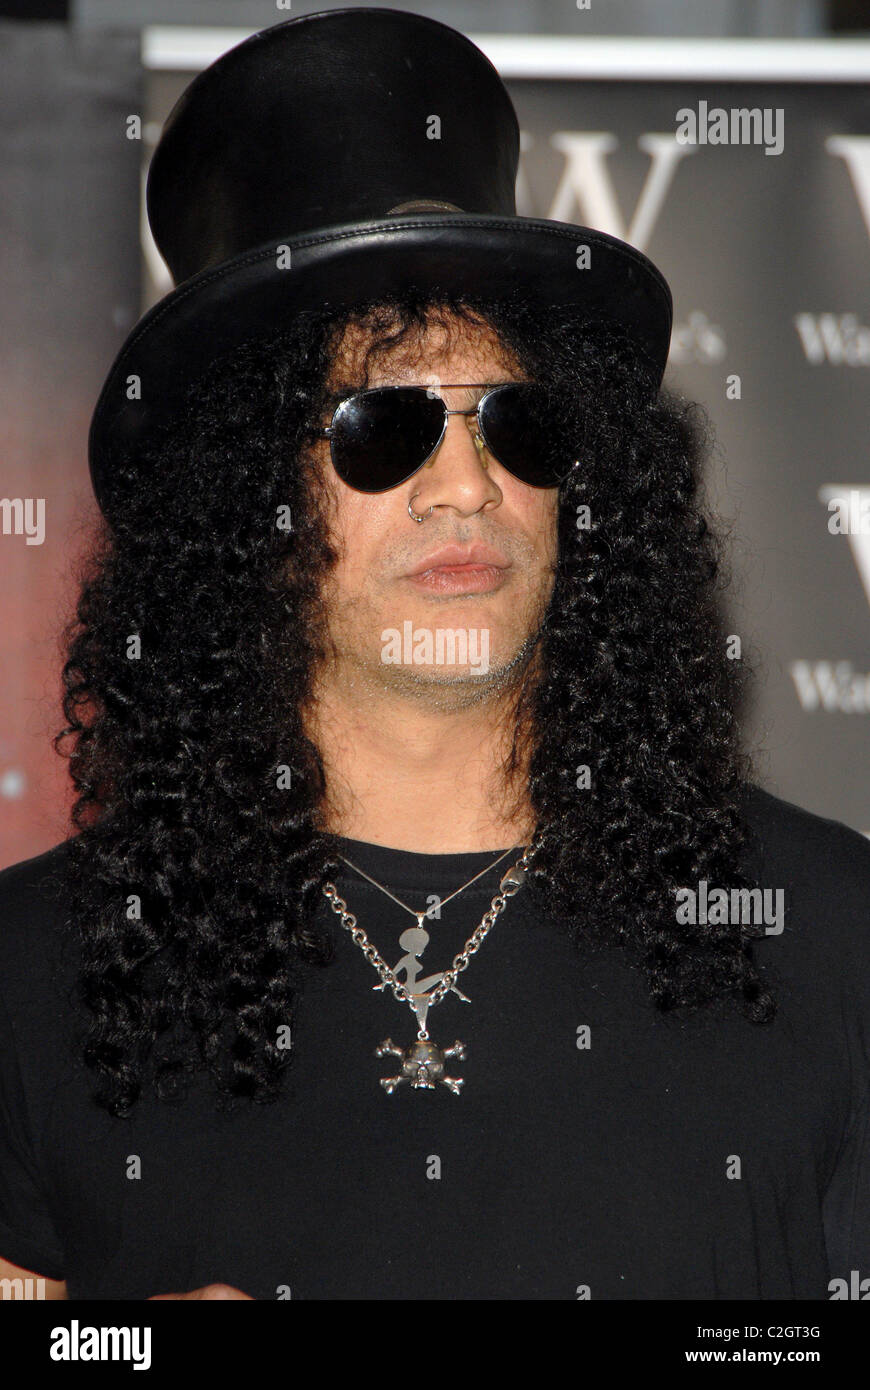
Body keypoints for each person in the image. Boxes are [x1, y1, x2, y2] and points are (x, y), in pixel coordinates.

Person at [1, 9, 868, 1303]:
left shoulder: (825, 929)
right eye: (377, 427)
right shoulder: (39, 970)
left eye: (518, 422)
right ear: (241, 498)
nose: (464, 485)